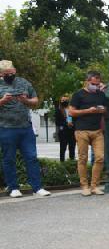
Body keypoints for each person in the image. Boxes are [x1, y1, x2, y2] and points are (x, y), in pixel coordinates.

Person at [0, 60, 51, 198]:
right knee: (8, 159)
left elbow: (35, 100)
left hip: (26, 127)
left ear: (15, 70)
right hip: (6, 128)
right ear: (1, 74)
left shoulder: (24, 82)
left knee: (31, 157)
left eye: (11, 73)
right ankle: (13, 188)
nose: (9, 75)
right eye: (6, 74)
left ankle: (37, 187)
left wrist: (25, 100)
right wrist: (2, 101)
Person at [69, 71, 107, 196]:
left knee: (100, 157)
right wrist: (88, 111)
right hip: (81, 130)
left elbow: (106, 110)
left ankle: (94, 186)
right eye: (93, 84)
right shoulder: (78, 94)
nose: (95, 86)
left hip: (97, 130)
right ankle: (84, 186)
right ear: (87, 81)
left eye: (97, 84)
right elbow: (71, 112)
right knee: (83, 158)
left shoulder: (101, 95)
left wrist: (102, 110)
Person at [54, 95, 76, 162]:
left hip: (72, 131)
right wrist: (66, 124)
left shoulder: (72, 109)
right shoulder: (58, 110)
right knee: (63, 149)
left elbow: (76, 119)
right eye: (62, 100)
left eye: (65, 100)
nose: (64, 101)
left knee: (72, 148)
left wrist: (73, 124)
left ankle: (71, 162)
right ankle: (62, 163)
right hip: (63, 132)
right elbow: (57, 122)